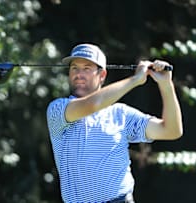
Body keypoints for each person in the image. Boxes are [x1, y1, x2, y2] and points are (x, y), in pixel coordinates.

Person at [46, 43, 183, 203]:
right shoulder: (58, 109)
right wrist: (134, 80)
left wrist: (166, 85)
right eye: (74, 68)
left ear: (102, 75)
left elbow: (171, 130)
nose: (79, 74)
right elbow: (92, 104)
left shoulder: (121, 114)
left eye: (87, 68)